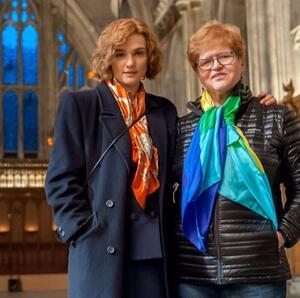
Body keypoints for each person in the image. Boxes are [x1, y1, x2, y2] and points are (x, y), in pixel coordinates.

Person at [45, 18, 177, 298]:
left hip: (155, 254)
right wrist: (82, 230)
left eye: (138, 53)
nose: (130, 62)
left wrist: (251, 103)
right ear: (108, 58)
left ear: (148, 58)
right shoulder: (81, 106)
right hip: (101, 247)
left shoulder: (164, 111)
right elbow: (60, 180)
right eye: (120, 54)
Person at [172, 20, 300, 298]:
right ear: (197, 72)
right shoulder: (181, 128)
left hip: (258, 274)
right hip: (194, 275)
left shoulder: (276, 117)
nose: (215, 66)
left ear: (241, 61)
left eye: (225, 56)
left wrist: (283, 235)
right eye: (205, 61)